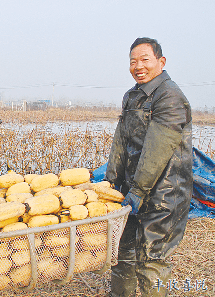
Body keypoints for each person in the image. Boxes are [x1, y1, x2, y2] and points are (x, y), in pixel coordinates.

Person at [105, 37, 192, 297]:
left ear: (161, 62)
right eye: (133, 61)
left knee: (151, 259)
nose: (138, 66)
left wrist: (140, 191)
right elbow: (120, 142)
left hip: (165, 194)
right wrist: (111, 183)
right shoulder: (132, 96)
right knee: (122, 255)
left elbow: (158, 148)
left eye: (145, 60)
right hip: (132, 190)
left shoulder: (170, 97)